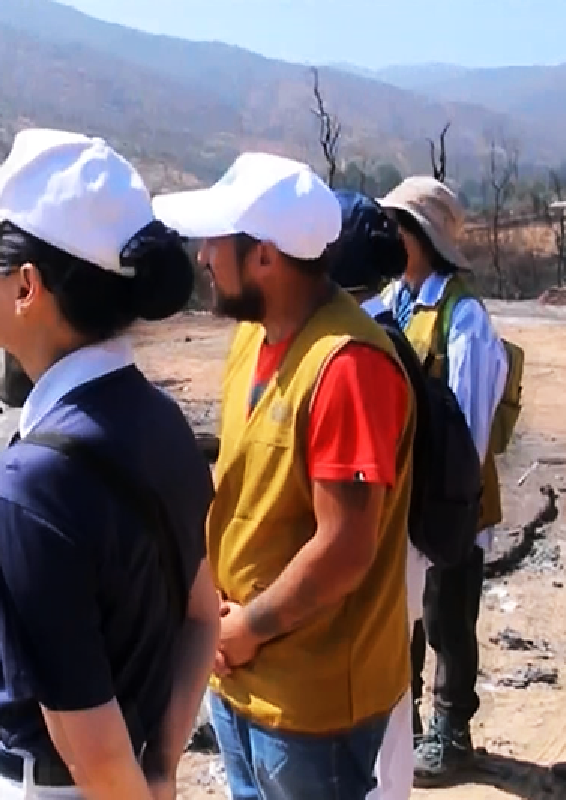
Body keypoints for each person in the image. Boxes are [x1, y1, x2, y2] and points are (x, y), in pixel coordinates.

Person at [0, 127, 219, 800]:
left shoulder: (30, 489)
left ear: (26, 286)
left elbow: (92, 749)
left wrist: (139, 782)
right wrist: (163, 765)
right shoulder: (163, 424)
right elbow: (203, 616)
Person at [152, 153, 415, 800]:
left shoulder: (347, 367)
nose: (203, 256)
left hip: (310, 702)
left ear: (265, 257)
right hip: (242, 671)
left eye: (218, 241)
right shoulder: (256, 337)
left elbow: (346, 547)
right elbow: (244, 491)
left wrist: (247, 629)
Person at [377, 176, 509, 787]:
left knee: (449, 617)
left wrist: (450, 499)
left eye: (397, 228)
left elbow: (471, 423)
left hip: (450, 500)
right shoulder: (392, 302)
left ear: (421, 239)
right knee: (405, 616)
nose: (387, 238)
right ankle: (403, 727)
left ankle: (452, 733)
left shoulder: (465, 319)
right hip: (405, 498)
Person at [326, 190, 425, 800]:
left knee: (381, 689)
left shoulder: (366, 350)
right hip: (401, 546)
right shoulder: (390, 334)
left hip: (390, 547)